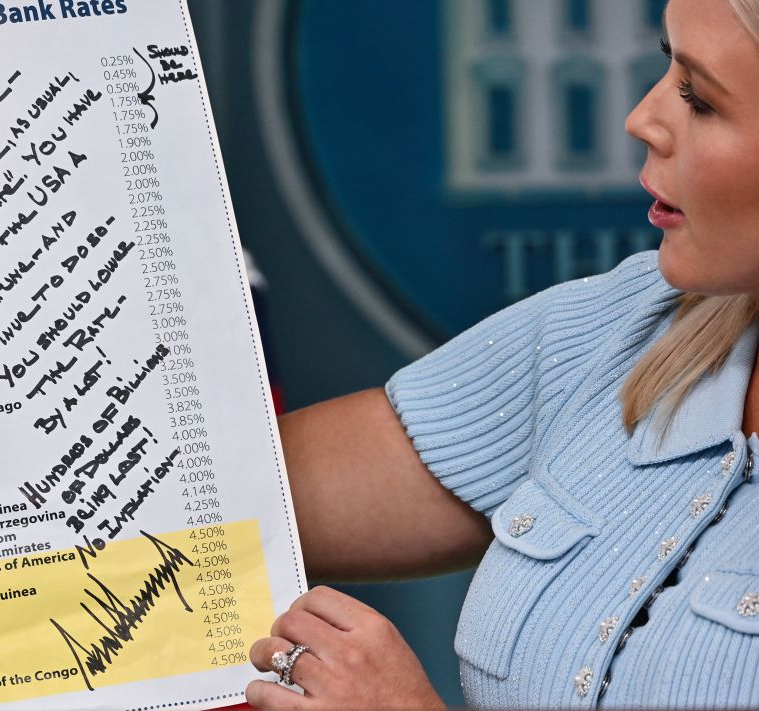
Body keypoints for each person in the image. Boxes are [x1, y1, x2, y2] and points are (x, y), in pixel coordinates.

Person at [245, 0, 759, 708]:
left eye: (699, 98)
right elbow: (218, 506)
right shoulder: (620, 331)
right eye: (666, 64)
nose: (641, 117)